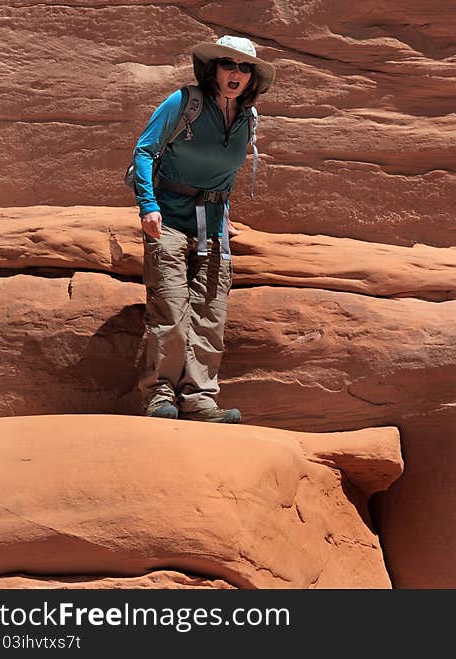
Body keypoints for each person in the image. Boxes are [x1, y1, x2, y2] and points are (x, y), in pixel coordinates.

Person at [132, 35, 275, 423]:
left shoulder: (248, 118)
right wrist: (148, 206)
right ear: (214, 68)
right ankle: (160, 396)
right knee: (171, 314)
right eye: (229, 64)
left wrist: (223, 221)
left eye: (245, 68)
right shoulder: (185, 102)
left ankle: (198, 398)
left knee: (210, 317)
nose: (237, 73)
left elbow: (226, 177)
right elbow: (145, 150)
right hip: (169, 223)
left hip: (212, 229)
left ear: (252, 78)